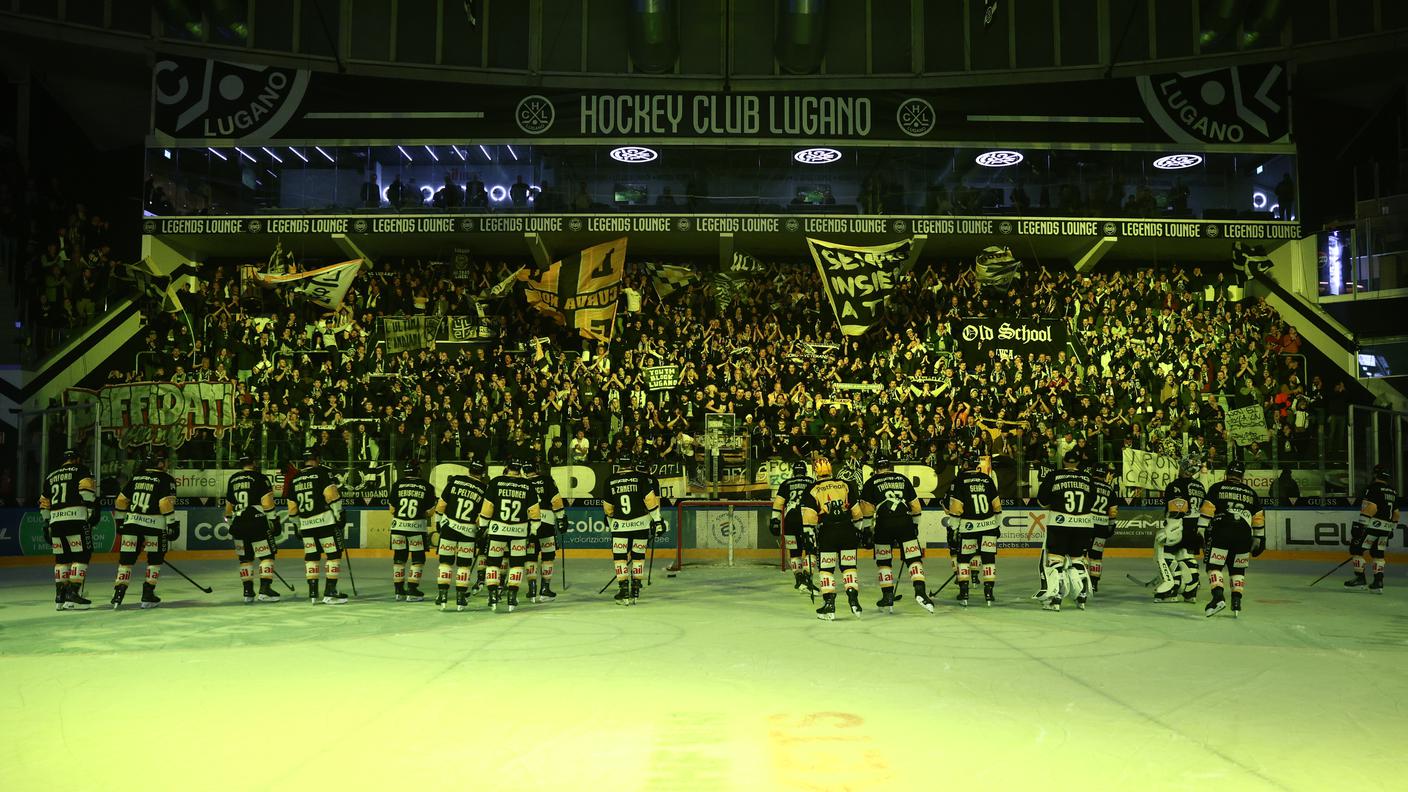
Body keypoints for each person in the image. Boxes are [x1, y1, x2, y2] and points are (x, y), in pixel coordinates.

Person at [859, 457, 932, 613]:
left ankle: (887, 596)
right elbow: (916, 506)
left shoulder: (871, 482)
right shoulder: (902, 478)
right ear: (890, 466)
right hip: (904, 521)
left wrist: (866, 530)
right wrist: (914, 525)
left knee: (884, 560)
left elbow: (866, 509)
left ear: (876, 468)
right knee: (913, 558)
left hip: (884, 523)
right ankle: (920, 592)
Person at [111, 453, 180, 609]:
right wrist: (172, 524)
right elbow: (164, 503)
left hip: (132, 524)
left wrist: (120, 521)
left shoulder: (136, 477)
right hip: (154, 526)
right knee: (155, 561)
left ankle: (119, 593)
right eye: (165, 461)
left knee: (126, 561)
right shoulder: (166, 479)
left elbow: (121, 500)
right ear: (160, 464)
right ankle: (148, 593)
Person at [800, 457, 865, 620]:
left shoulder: (812, 488)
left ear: (816, 472)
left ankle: (829, 605)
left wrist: (809, 538)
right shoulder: (845, 484)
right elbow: (857, 513)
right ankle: (853, 599)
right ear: (830, 470)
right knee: (849, 567)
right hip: (847, 530)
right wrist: (858, 531)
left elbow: (809, 517)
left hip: (828, 533)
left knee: (826, 570)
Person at [1198, 460, 1265, 617]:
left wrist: (1200, 530)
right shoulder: (1251, 492)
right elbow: (1258, 518)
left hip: (1222, 531)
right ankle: (1236, 601)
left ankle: (1218, 597)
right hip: (1244, 535)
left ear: (1227, 473)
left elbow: (1207, 509)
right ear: (1242, 476)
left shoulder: (1217, 487)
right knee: (1237, 569)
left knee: (1214, 566)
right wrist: (1259, 538)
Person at [1035, 449, 1095, 612]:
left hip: (1060, 523)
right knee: (1078, 559)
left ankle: (1057, 597)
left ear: (1063, 462)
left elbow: (1041, 501)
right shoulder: (1087, 478)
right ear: (1078, 463)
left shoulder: (1054, 476)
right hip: (1084, 524)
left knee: (1056, 560)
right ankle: (1082, 596)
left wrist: (1055, 502)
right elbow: (1093, 501)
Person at [287, 447, 348, 605]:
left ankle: (313, 593)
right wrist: (339, 514)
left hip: (306, 525)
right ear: (318, 458)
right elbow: (331, 495)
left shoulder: (296, 478)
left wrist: (297, 525)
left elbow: (292, 509)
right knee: (333, 555)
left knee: (312, 556)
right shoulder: (322, 472)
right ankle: (330, 592)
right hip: (324, 522)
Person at [39, 448, 97, 610]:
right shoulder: (81, 470)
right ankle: (73, 592)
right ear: (77, 459)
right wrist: (92, 508)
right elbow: (86, 490)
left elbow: (44, 501)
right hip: (75, 519)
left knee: (62, 559)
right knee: (82, 555)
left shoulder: (51, 476)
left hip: (56, 521)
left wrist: (46, 522)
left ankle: (60, 596)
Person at [602, 455, 664, 605]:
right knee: (638, 557)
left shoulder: (610, 480)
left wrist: (609, 518)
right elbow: (650, 501)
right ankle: (635, 589)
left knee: (620, 558)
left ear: (618, 464)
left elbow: (608, 507)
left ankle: (623, 590)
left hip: (620, 525)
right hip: (641, 524)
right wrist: (657, 520)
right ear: (632, 463)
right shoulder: (641, 478)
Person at [480, 457, 540, 612]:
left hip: (498, 529)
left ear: (507, 467)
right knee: (517, 564)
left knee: (493, 563)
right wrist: (533, 530)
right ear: (520, 468)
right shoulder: (527, 484)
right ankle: (512, 597)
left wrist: (483, 526)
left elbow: (488, 507)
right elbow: (534, 510)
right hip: (519, 531)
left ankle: (493, 595)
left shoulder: (496, 481)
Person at [220, 454, 281, 604]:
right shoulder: (261, 478)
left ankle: (247, 592)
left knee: (245, 559)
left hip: (239, 524)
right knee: (266, 556)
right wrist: (273, 520)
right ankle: (265, 590)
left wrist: (230, 521)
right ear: (254, 462)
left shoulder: (233, 479)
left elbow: (228, 507)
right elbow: (267, 503)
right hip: (257, 523)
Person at [946, 449, 1001, 607]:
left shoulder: (960, 480)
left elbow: (956, 508)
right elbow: (996, 505)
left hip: (968, 527)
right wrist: (996, 524)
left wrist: (954, 529)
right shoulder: (986, 479)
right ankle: (989, 593)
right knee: (989, 559)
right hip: (989, 525)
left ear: (963, 463)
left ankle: (964, 593)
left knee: (963, 559)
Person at [434, 459, 490, 611]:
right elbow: (484, 514)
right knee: (464, 565)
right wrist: (482, 529)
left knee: (445, 563)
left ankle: (443, 595)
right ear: (483, 473)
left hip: (449, 527)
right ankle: (460, 598)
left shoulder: (455, 480)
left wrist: (438, 521)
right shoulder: (484, 488)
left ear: (469, 470)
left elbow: (442, 503)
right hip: (468, 531)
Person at [1155, 457, 1206, 603]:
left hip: (1180, 524)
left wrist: (1169, 526)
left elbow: (1176, 508)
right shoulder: (1200, 486)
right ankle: (1191, 591)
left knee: (1165, 554)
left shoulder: (1175, 485)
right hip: (1195, 526)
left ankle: (1173, 587)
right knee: (1186, 555)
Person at [1344, 464, 1400, 593]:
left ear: (1375, 475)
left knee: (1356, 549)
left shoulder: (1373, 488)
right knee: (1378, 553)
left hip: (1372, 526)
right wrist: (1392, 528)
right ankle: (1378, 582)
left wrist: (1361, 525)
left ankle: (1360, 579)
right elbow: (1396, 513)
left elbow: (1371, 508)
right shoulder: (1393, 491)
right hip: (1386, 528)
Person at [388, 462, 436, 602]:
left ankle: (398, 590)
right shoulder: (427, 486)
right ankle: (412, 589)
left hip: (398, 527)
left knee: (399, 557)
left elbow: (391, 509)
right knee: (418, 558)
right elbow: (429, 512)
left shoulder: (398, 484)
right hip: (416, 527)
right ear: (419, 471)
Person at [771, 460, 816, 593]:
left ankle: (798, 577)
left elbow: (778, 503)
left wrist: (775, 520)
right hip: (807, 518)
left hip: (790, 519)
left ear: (793, 471)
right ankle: (808, 577)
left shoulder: (786, 483)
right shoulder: (812, 481)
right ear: (805, 471)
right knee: (810, 550)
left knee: (795, 551)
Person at [523, 460, 564, 603]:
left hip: (528, 525)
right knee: (548, 556)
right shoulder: (547, 480)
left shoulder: (523, 483)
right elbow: (556, 501)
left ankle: (532, 589)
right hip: (546, 523)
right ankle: (545, 590)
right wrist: (561, 518)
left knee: (530, 556)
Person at [1086, 462, 1118, 593]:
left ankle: (1082, 581)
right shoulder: (1110, 489)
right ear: (1105, 474)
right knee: (1096, 556)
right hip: (1102, 527)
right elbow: (1113, 511)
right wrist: (1111, 526)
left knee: (1081, 554)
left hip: (1087, 524)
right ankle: (1094, 583)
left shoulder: (1087, 485)